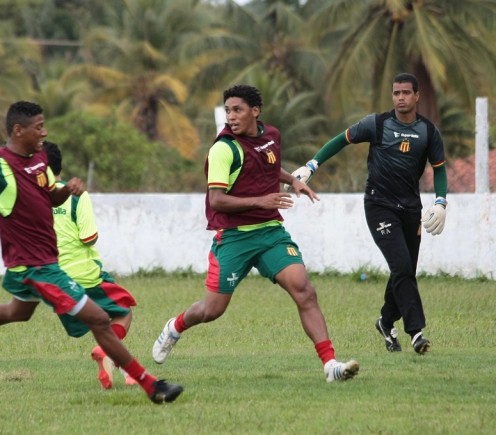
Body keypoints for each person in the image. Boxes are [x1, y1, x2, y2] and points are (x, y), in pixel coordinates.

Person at [0, 101, 183, 404]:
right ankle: (152, 386)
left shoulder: (39, 159)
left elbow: (52, 198)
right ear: (18, 130)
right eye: (38, 127)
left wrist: (67, 190)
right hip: (34, 267)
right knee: (100, 318)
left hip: (44, 262)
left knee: (15, 311)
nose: (44, 132)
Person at [152, 85, 360, 383]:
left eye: (237, 110)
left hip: (270, 232)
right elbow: (216, 200)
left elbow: (267, 165)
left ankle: (330, 366)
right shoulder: (223, 149)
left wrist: (292, 180)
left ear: (255, 111)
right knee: (212, 310)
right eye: (228, 111)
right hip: (234, 238)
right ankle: (175, 327)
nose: (231, 116)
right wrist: (260, 201)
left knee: (304, 289)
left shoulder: (270, 136)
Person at [289, 73, 448, 354]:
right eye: (396, 92)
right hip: (379, 206)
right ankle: (416, 333)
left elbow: (439, 169)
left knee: (405, 270)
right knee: (401, 267)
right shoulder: (377, 124)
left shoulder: (428, 131)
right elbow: (340, 140)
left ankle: (386, 322)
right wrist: (311, 165)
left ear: (417, 96)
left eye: (406, 93)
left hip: (411, 209)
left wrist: (441, 202)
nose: (400, 97)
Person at [44, 141, 138, 389]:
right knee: (123, 312)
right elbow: (89, 238)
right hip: (84, 274)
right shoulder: (76, 196)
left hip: (52, 280)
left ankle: (123, 368)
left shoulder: (32, 199)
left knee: (99, 321)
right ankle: (107, 354)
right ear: (58, 165)